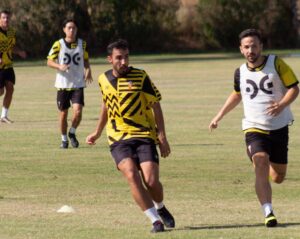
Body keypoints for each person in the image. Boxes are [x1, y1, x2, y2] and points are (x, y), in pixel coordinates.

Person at [209, 29, 299, 227]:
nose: (251, 50)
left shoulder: (276, 63)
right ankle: (268, 212)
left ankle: (266, 171)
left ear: (261, 47)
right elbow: (236, 94)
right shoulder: (240, 72)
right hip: (253, 127)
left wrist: (282, 105)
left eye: (254, 46)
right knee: (260, 161)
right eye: (247, 47)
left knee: (278, 177)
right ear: (241, 49)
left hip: (279, 128)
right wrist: (219, 116)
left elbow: (294, 88)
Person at [86, 39, 175, 233]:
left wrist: (162, 136)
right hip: (118, 138)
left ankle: (160, 207)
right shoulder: (103, 79)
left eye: (126, 57)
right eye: (119, 58)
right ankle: (155, 221)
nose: (124, 62)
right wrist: (98, 131)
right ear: (110, 59)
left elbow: (156, 105)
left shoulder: (141, 76)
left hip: (144, 135)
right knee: (131, 175)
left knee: (151, 182)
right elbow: (106, 105)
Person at [47, 18, 93, 149]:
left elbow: (86, 59)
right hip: (63, 84)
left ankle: (72, 132)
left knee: (78, 111)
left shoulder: (82, 44)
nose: (71, 30)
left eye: (74, 28)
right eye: (69, 28)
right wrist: (59, 66)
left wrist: (88, 70)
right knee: (63, 114)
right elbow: (49, 61)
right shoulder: (58, 44)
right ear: (64, 29)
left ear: (77, 30)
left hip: (78, 84)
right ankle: (64, 139)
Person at [0, 9, 27, 123]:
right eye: (4, 17)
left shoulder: (12, 32)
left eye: (8, 18)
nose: (6, 19)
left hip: (9, 65)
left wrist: (19, 51)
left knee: (10, 89)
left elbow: (12, 46)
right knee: (0, 91)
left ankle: (3, 116)